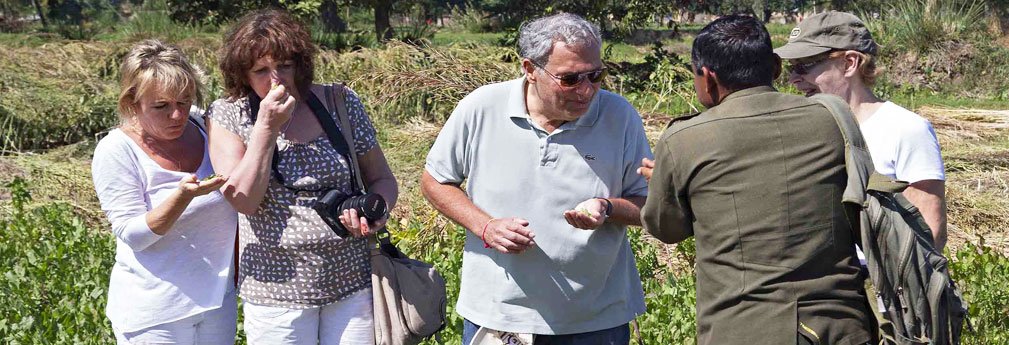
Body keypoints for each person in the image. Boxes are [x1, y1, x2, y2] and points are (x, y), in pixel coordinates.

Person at [639, 15, 875, 345]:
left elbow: (667, 228)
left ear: (708, 78)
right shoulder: (831, 118)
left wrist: (668, 184)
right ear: (776, 67)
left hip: (746, 329)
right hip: (840, 326)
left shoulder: (684, 140)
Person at [421, 12, 652, 345]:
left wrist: (608, 207)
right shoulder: (482, 108)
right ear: (530, 70)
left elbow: (647, 204)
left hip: (596, 319)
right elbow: (435, 181)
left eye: (596, 75)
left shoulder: (619, 116)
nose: (586, 90)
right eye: (570, 79)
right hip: (501, 317)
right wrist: (485, 226)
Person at [206, 9, 398, 344]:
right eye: (261, 71)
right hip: (277, 294)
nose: (276, 79)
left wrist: (374, 212)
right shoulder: (228, 114)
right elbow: (243, 200)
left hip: (351, 283)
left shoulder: (340, 103)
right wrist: (266, 128)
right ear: (243, 75)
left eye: (284, 66)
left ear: (301, 65)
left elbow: (382, 178)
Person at [92, 39, 237, 344]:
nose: (177, 115)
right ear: (132, 103)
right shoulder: (116, 150)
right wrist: (182, 197)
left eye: (183, 101)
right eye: (161, 106)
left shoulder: (202, 124)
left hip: (216, 301)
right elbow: (134, 235)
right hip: (155, 313)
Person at [776, 11, 948, 252]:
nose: (793, 79)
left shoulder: (906, 130)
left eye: (804, 66)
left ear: (850, 63)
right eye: (790, 69)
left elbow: (930, 231)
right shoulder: (807, 129)